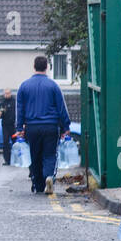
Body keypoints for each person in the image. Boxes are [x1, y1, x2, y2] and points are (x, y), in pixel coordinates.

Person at [16, 55, 71, 193]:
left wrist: (19, 127)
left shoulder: (24, 86)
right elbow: (61, 108)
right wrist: (66, 127)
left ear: (34, 66)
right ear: (47, 67)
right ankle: (49, 177)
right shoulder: (53, 86)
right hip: (51, 126)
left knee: (35, 155)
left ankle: (39, 185)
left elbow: (20, 109)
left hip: (32, 127)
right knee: (49, 154)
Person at [0, 90, 15, 165]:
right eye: (5, 93)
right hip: (5, 125)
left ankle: (16, 159)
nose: (6, 95)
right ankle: (7, 160)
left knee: (15, 142)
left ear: (10, 93)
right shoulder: (2, 103)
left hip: (14, 125)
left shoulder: (14, 102)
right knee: (5, 142)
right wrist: (0, 113)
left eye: (8, 93)